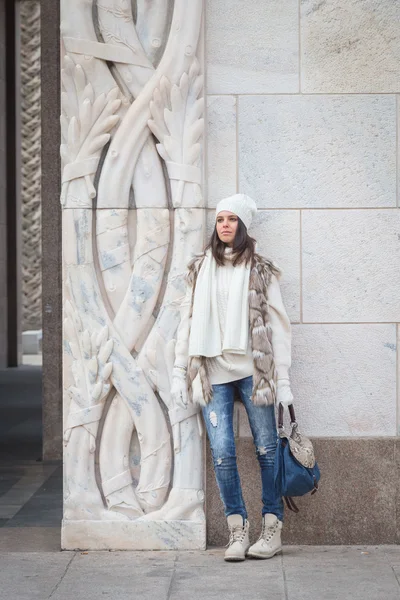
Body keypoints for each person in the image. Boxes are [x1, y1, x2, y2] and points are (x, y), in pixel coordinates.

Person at [171, 193, 293, 562]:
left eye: (232, 219)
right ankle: (237, 530)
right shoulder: (199, 268)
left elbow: (279, 327)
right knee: (222, 453)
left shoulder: (260, 269)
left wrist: (283, 381)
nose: (224, 225)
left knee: (267, 450)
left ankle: (272, 527)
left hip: (253, 373)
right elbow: (186, 322)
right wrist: (180, 371)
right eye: (220, 219)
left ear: (243, 226)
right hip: (212, 373)